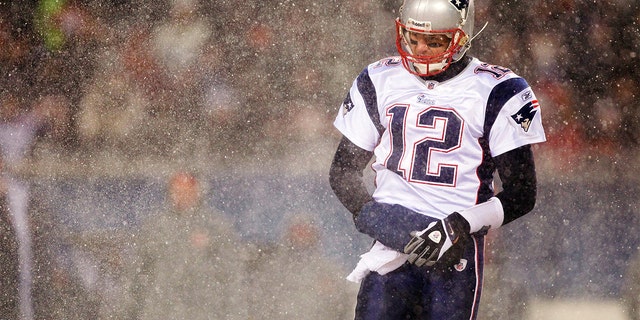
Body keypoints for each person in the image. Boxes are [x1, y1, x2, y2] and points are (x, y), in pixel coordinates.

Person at [328, 0, 546, 319]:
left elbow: (522, 194)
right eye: (413, 38)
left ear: (461, 36)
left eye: (435, 41)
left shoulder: (499, 89)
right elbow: (343, 171)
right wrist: (384, 220)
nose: (420, 49)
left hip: (455, 255)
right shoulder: (378, 78)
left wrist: (457, 226)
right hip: (390, 251)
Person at [131, 171, 249, 320]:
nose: (181, 197)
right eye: (177, 192)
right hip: (160, 310)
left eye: (187, 192)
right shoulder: (155, 227)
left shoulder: (215, 226)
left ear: (198, 193)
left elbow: (230, 272)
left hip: (204, 310)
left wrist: (233, 311)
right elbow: (137, 272)